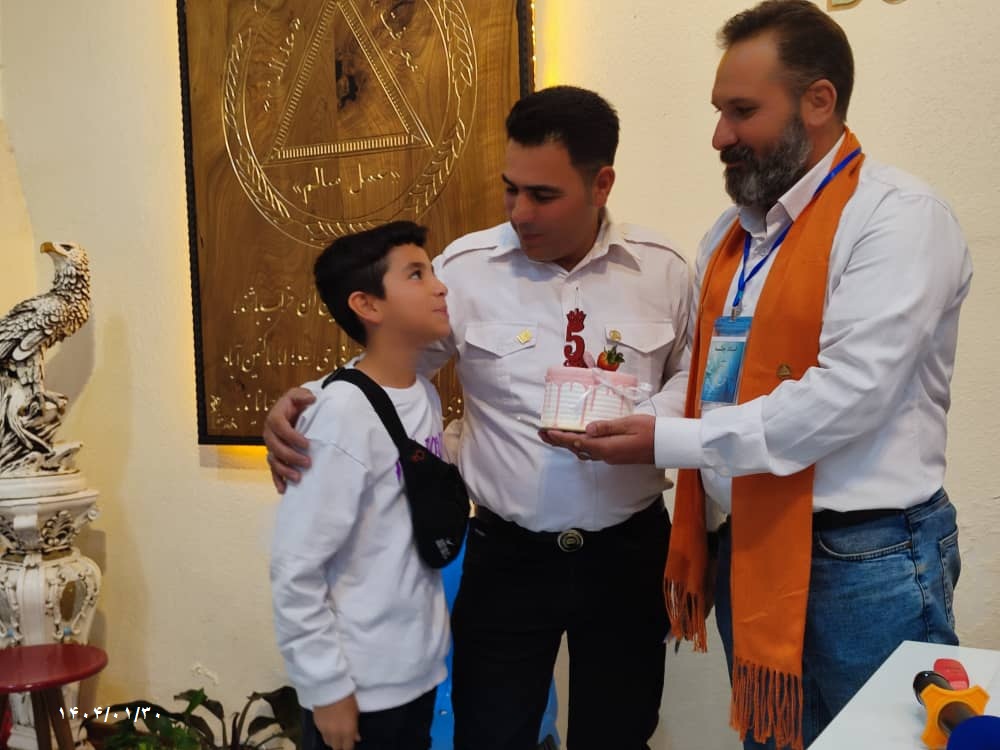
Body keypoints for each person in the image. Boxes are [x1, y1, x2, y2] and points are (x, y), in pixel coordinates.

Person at [542, 3, 972, 749]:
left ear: (819, 101)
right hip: (750, 544)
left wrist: (667, 439)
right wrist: (629, 416)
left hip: (864, 560)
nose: (719, 136)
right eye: (719, 112)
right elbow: (710, 378)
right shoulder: (735, 234)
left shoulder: (898, 218)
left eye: (742, 111)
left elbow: (846, 397)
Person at [264, 86, 692, 750]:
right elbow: (393, 367)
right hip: (507, 557)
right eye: (510, 190)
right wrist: (310, 398)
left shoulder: (663, 270)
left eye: (542, 195)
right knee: (490, 733)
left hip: (628, 553)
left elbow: (693, 377)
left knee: (620, 733)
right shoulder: (466, 271)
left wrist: (653, 426)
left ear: (601, 184)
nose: (519, 212)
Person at [269, 221, 452, 750]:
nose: (440, 287)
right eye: (416, 274)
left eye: (432, 271)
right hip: (360, 685)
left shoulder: (423, 394)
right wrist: (325, 688)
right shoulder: (341, 415)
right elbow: (295, 566)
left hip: (415, 671)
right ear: (367, 305)